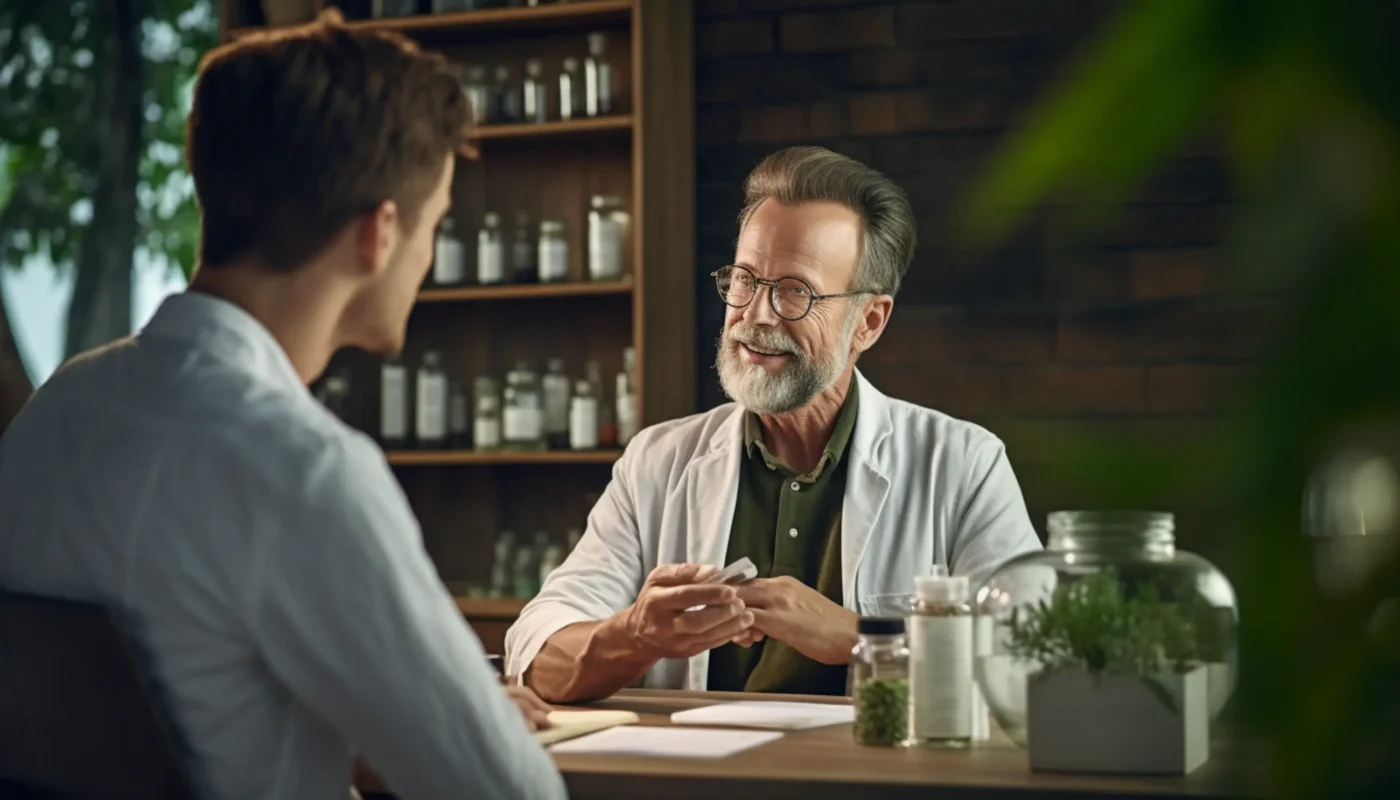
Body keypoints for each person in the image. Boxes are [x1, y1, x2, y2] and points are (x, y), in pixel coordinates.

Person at [0, 12, 565, 800]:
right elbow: (506, 791)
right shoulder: (304, 470)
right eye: (436, 223)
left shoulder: (56, 412)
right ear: (380, 233)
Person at [506, 146, 1043, 702]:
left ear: (868, 322)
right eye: (744, 280)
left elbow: (1032, 663)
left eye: (795, 291)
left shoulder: (963, 463)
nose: (756, 315)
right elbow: (536, 655)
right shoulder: (658, 461)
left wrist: (857, 638)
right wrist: (637, 633)